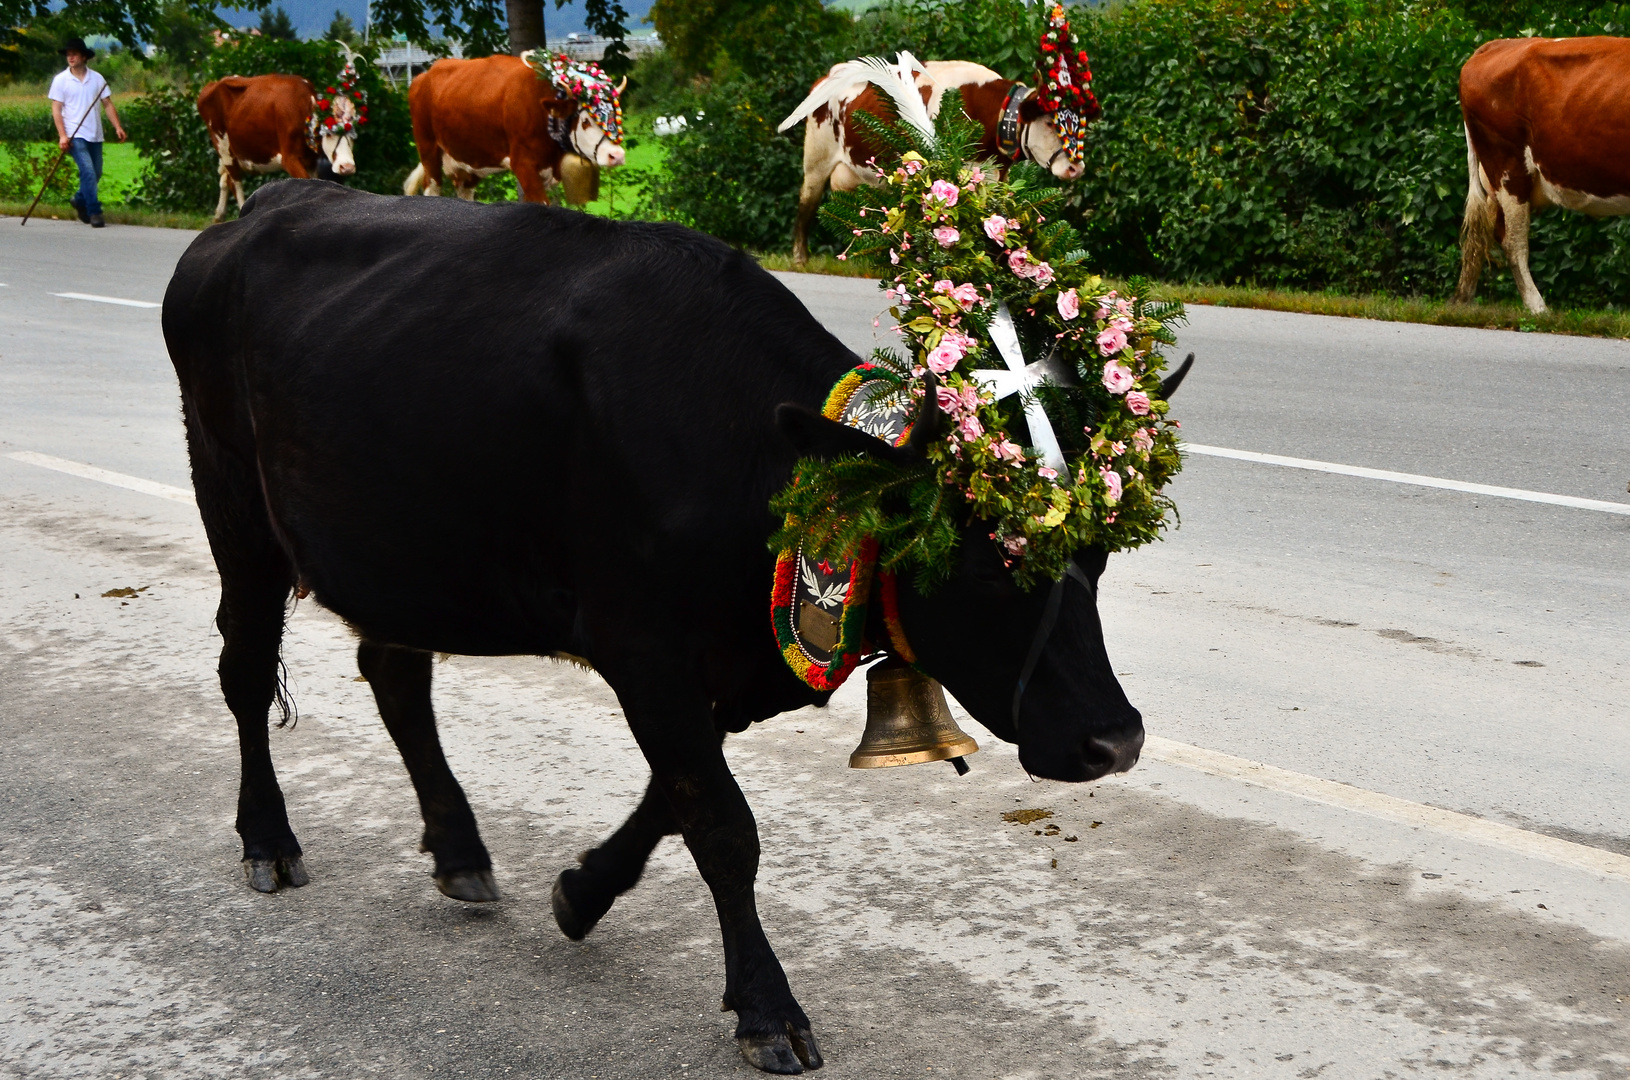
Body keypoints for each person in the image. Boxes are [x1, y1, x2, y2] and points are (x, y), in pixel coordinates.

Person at [48, 37, 126, 229]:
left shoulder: (97, 79)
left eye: (74, 54)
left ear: (84, 56)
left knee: (96, 173)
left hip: (95, 134)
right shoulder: (61, 80)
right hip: (75, 135)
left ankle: (79, 198)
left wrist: (117, 126)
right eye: (68, 54)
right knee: (88, 172)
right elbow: (56, 109)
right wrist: (62, 135)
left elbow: (107, 104)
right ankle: (94, 212)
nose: (71, 57)